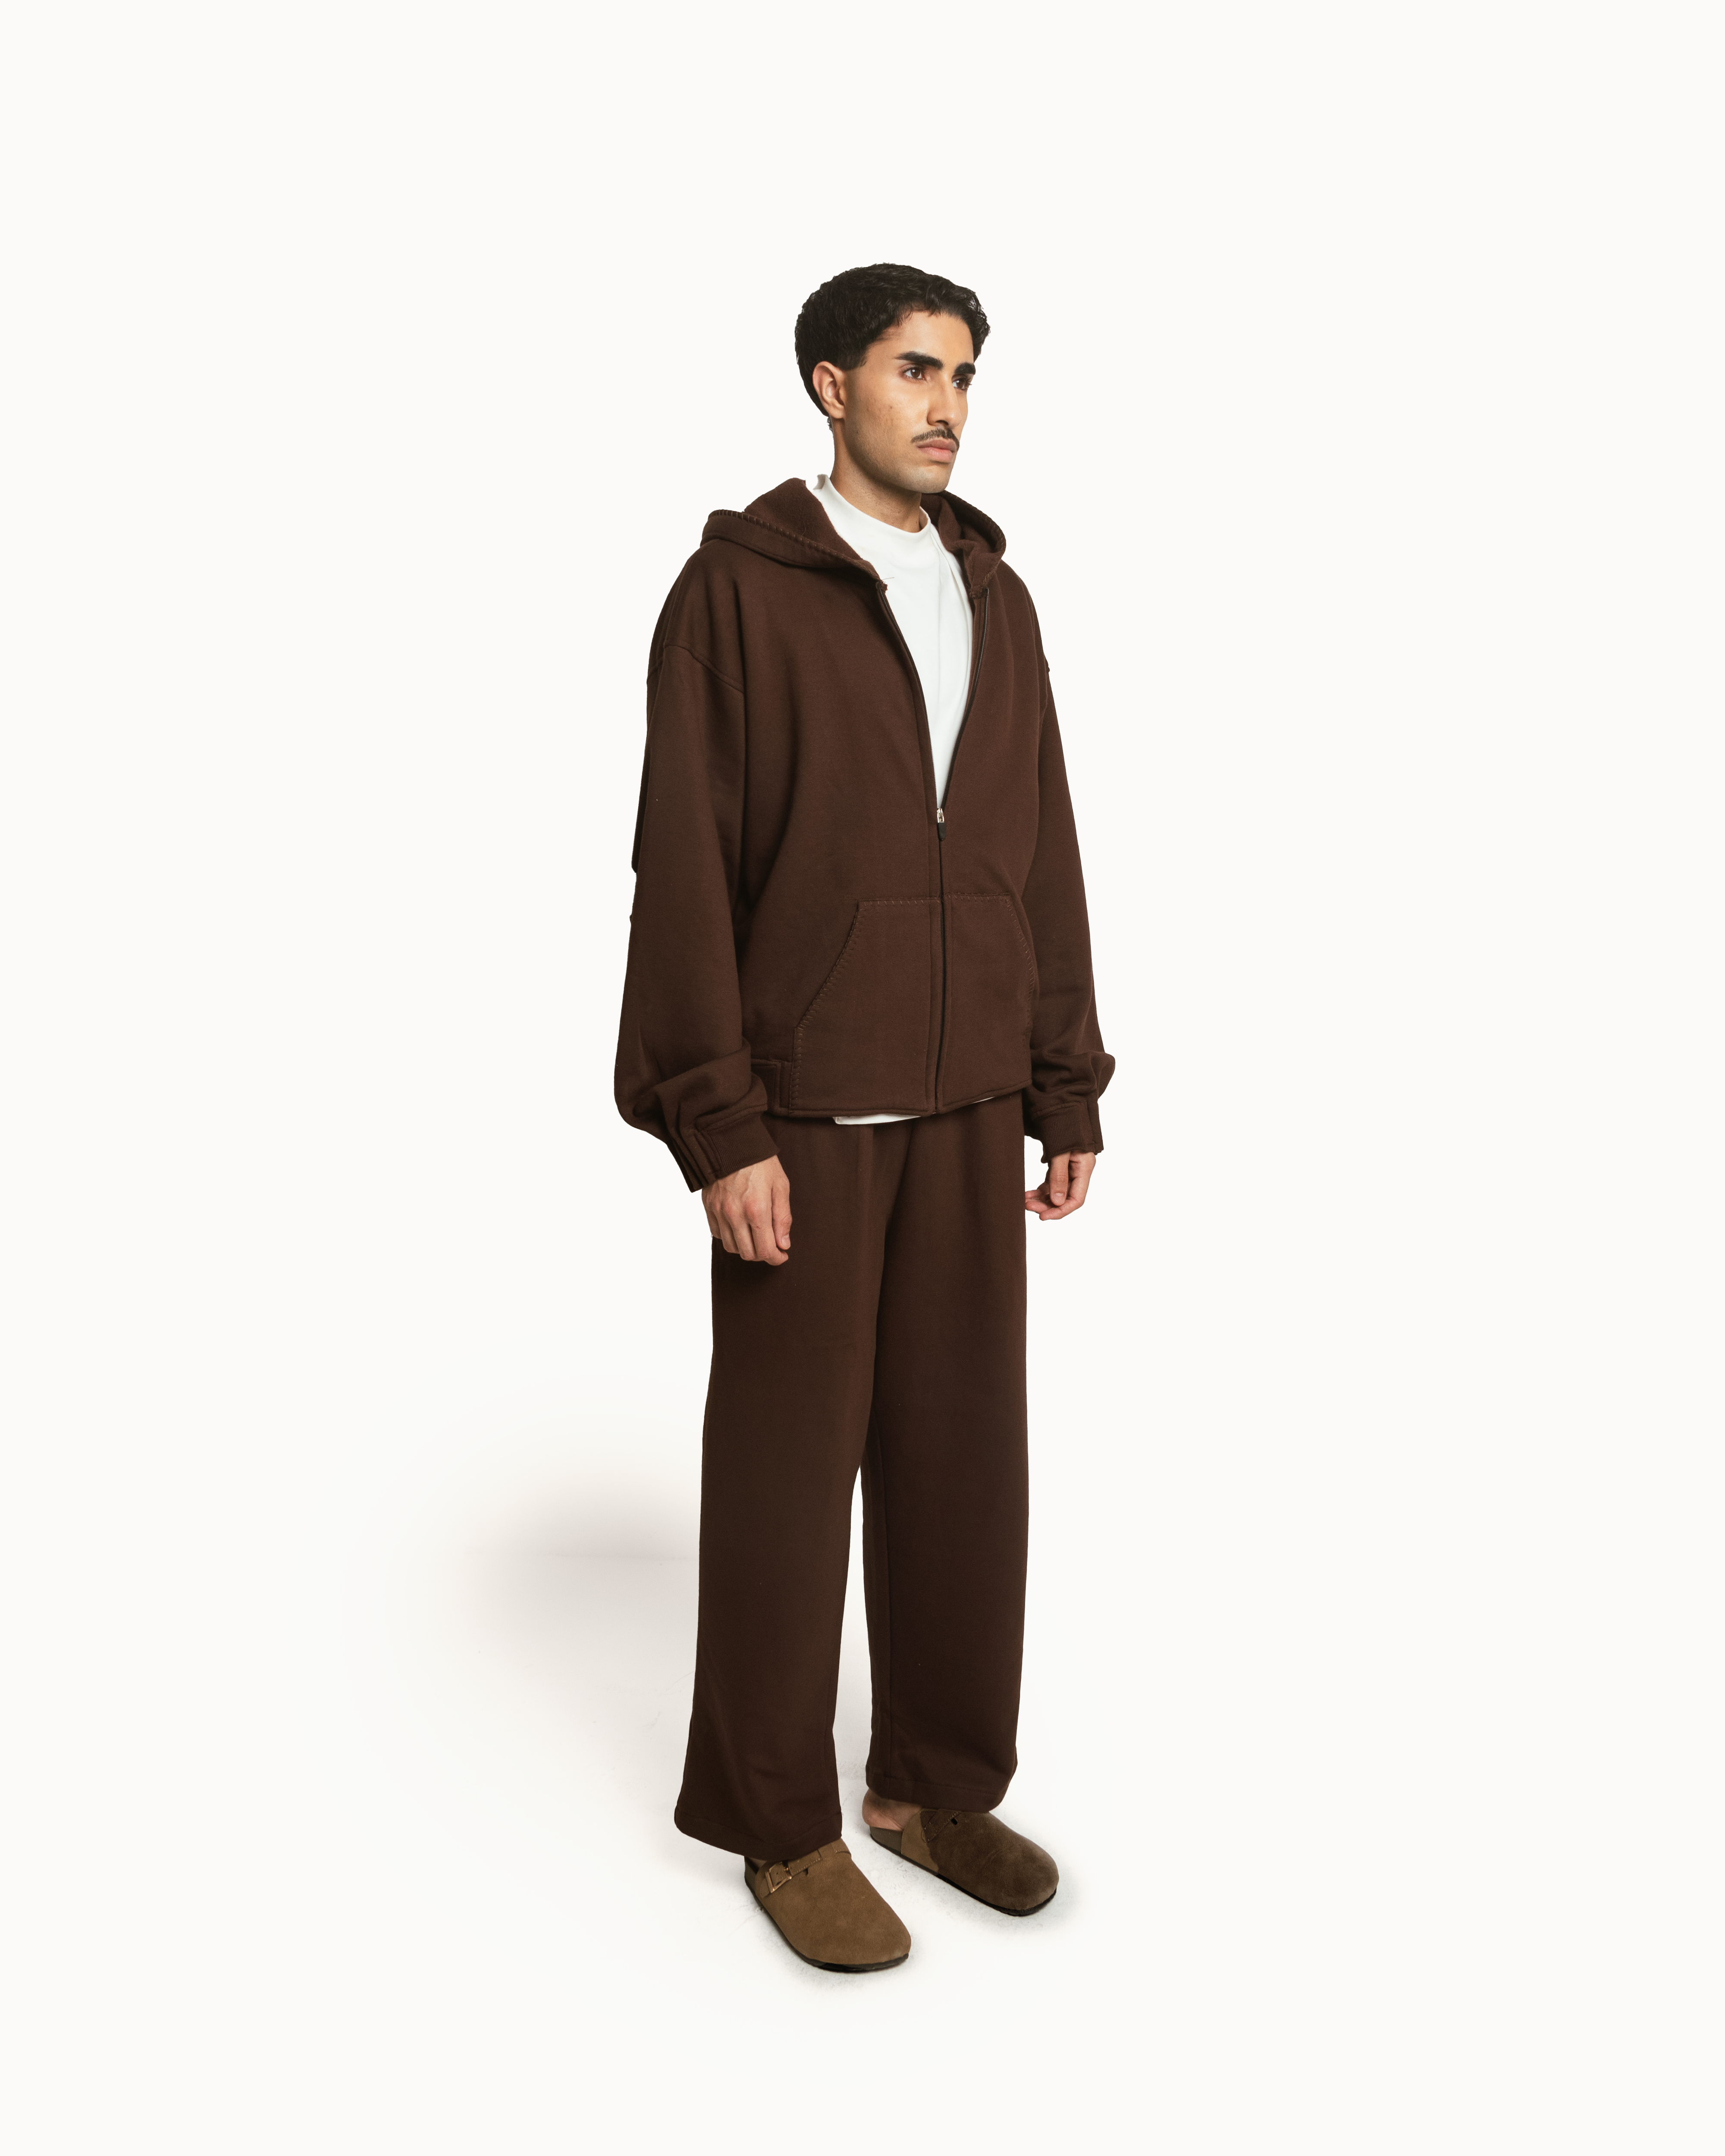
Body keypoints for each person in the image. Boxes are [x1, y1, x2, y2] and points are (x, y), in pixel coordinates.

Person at [614, 263, 1114, 1972]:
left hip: (971, 1095)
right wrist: (720, 1124)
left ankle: (932, 1787)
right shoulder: (737, 594)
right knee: (782, 1476)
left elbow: (1040, 842)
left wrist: (1063, 1076)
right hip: (805, 1113)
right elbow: (685, 865)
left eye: (963, 374)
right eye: (914, 370)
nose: (947, 404)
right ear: (832, 385)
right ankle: (780, 1820)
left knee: (965, 1462)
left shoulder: (996, 593)